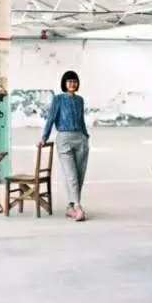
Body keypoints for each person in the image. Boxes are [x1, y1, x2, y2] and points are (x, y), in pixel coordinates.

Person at [39, 70, 90, 222]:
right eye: (69, 81)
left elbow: (81, 120)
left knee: (79, 176)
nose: (72, 84)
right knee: (71, 175)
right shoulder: (58, 99)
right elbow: (51, 118)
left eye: (74, 81)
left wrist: (86, 136)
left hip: (80, 139)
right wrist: (44, 137)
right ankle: (78, 206)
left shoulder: (80, 100)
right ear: (64, 83)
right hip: (64, 139)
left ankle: (70, 207)